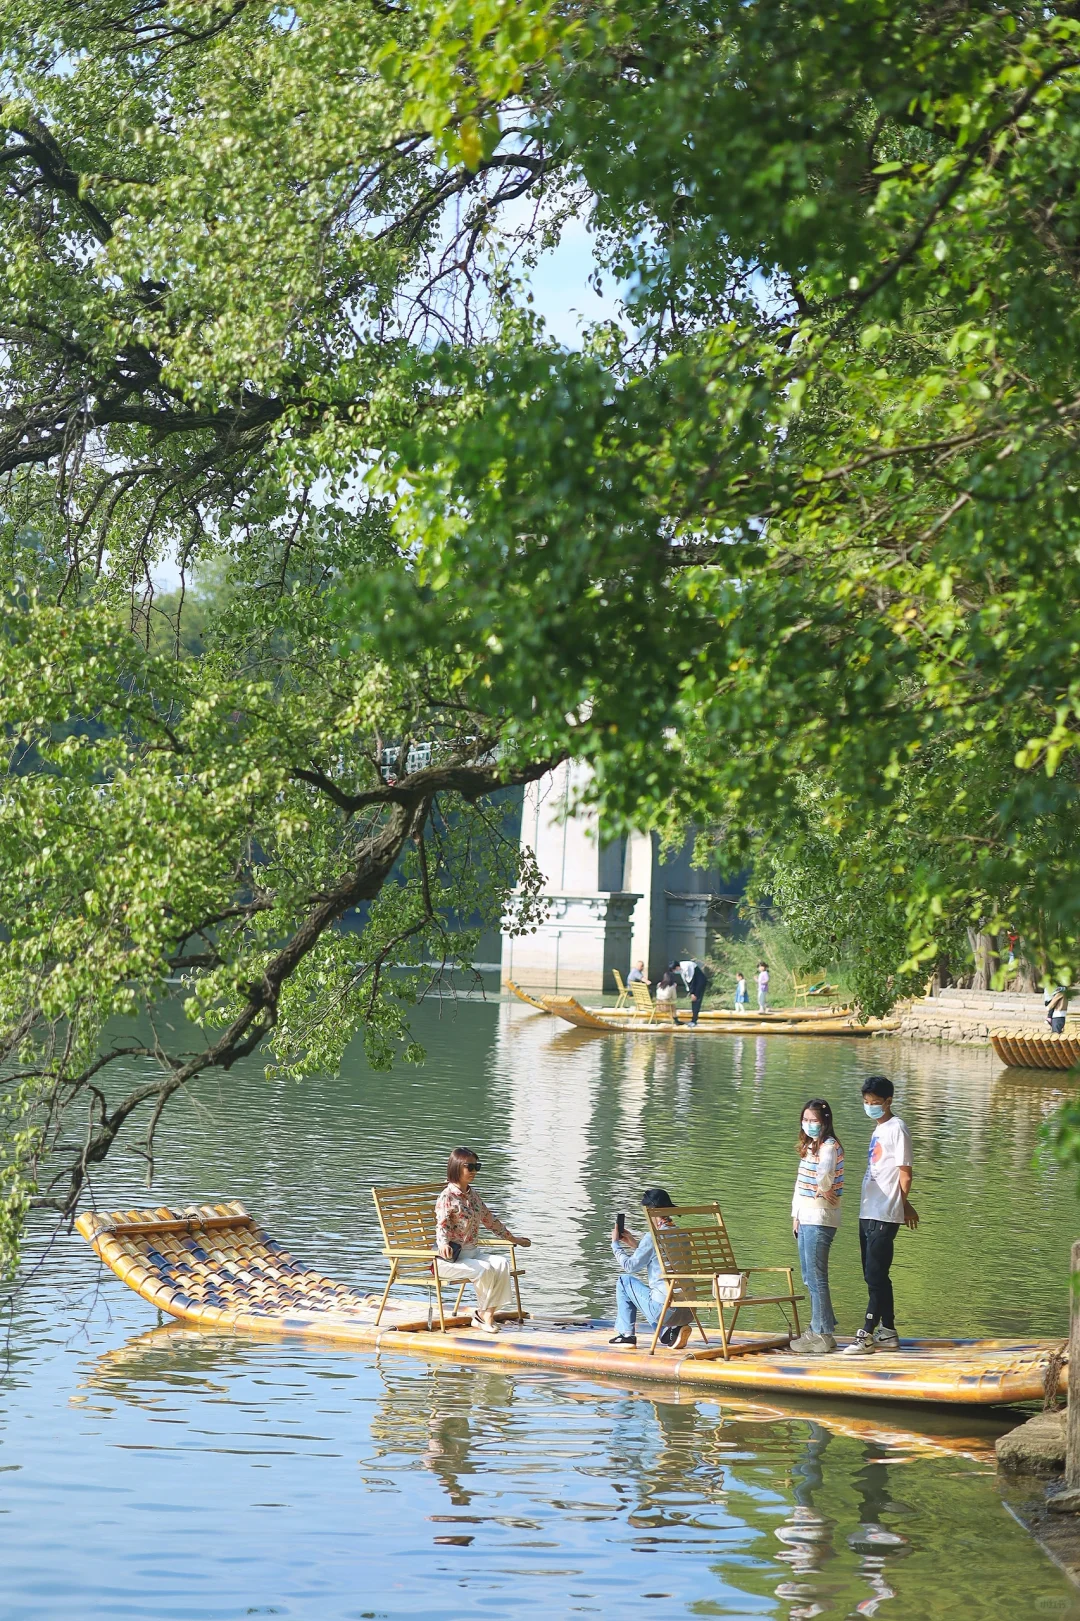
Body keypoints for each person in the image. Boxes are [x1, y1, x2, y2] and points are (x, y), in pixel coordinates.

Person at [842, 1077, 918, 1357]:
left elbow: (905, 1173)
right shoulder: (879, 1129)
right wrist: (905, 1205)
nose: (870, 1107)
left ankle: (867, 1334)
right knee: (873, 1275)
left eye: (875, 1103)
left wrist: (900, 1204)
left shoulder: (897, 1128)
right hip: (868, 1210)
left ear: (888, 1101)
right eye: (866, 1103)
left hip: (884, 1213)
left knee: (875, 1275)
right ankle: (889, 1331)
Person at [434, 1148, 531, 1334]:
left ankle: (484, 1315)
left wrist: (513, 1238)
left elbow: (490, 1220)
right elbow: (442, 1224)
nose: (473, 1171)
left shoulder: (472, 1195)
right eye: (469, 1167)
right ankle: (484, 1317)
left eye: (476, 1166)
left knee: (501, 1263)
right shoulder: (447, 1196)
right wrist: (443, 1244)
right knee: (484, 1269)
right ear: (456, 1167)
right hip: (448, 1260)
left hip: (472, 1254)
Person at [789, 1098, 844, 1355]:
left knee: (817, 1276)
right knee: (809, 1276)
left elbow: (825, 1175)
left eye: (815, 1121)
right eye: (806, 1120)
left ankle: (821, 1334)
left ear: (825, 1122)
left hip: (820, 1217)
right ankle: (822, 1329)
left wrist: (823, 1189)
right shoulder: (812, 1146)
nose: (810, 1125)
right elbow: (801, 1184)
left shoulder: (829, 1147)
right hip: (806, 1216)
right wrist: (795, 1215)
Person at [609, 1187, 693, 1350]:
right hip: (688, 1310)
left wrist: (615, 1244)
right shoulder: (682, 1235)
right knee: (653, 1293)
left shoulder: (653, 1236)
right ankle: (666, 1333)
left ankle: (627, 1335)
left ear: (651, 1211)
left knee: (624, 1282)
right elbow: (662, 1257)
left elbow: (630, 1266)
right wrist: (634, 1244)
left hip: (666, 1311)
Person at [678, 955, 708, 1025]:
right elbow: (686, 981)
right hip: (695, 984)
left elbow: (691, 980)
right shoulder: (681, 969)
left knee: (696, 1000)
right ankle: (693, 1020)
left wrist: (693, 993)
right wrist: (690, 992)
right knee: (693, 1001)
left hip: (700, 983)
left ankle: (694, 1021)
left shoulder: (687, 966)